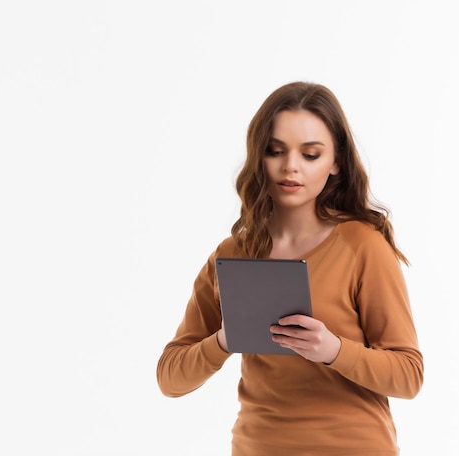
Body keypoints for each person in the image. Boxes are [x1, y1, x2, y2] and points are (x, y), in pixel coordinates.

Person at [156, 81, 423, 455]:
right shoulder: (234, 254)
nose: (290, 166)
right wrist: (224, 340)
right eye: (275, 151)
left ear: (337, 163)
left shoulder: (363, 247)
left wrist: (332, 349)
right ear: (258, 156)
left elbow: (409, 376)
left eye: (310, 154)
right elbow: (170, 378)